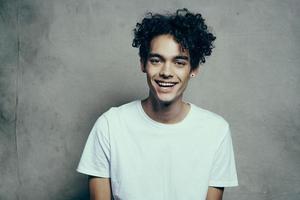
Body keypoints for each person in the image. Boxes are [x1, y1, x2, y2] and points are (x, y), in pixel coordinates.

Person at [77, 8, 238, 200]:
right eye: (156, 60)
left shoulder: (216, 130)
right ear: (143, 63)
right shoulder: (110, 126)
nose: (166, 72)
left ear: (193, 68)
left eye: (179, 62)